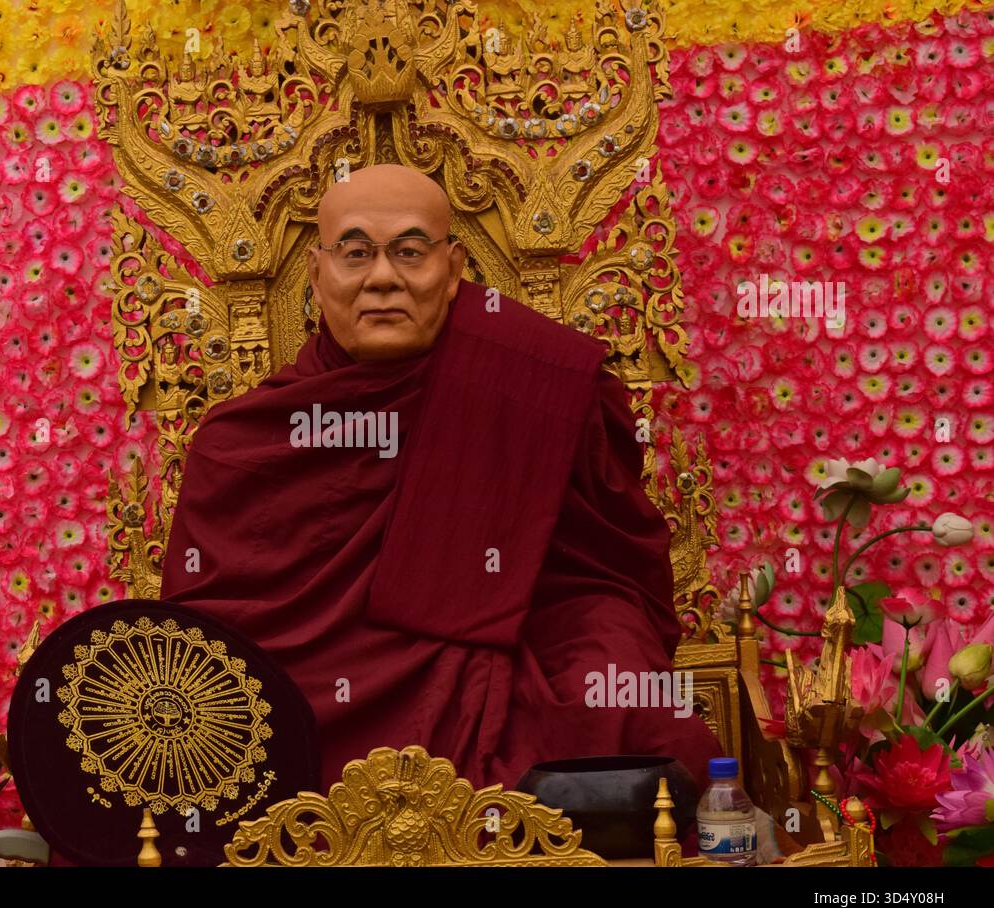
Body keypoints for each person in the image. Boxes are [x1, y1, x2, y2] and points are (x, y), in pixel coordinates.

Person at [160, 163, 723, 797]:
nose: (381, 278)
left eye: (409, 251)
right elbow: (201, 637)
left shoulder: (529, 380)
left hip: (508, 647)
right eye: (353, 253)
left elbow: (605, 569)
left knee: (614, 673)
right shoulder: (243, 440)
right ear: (316, 276)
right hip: (308, 683)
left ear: (454, 269)